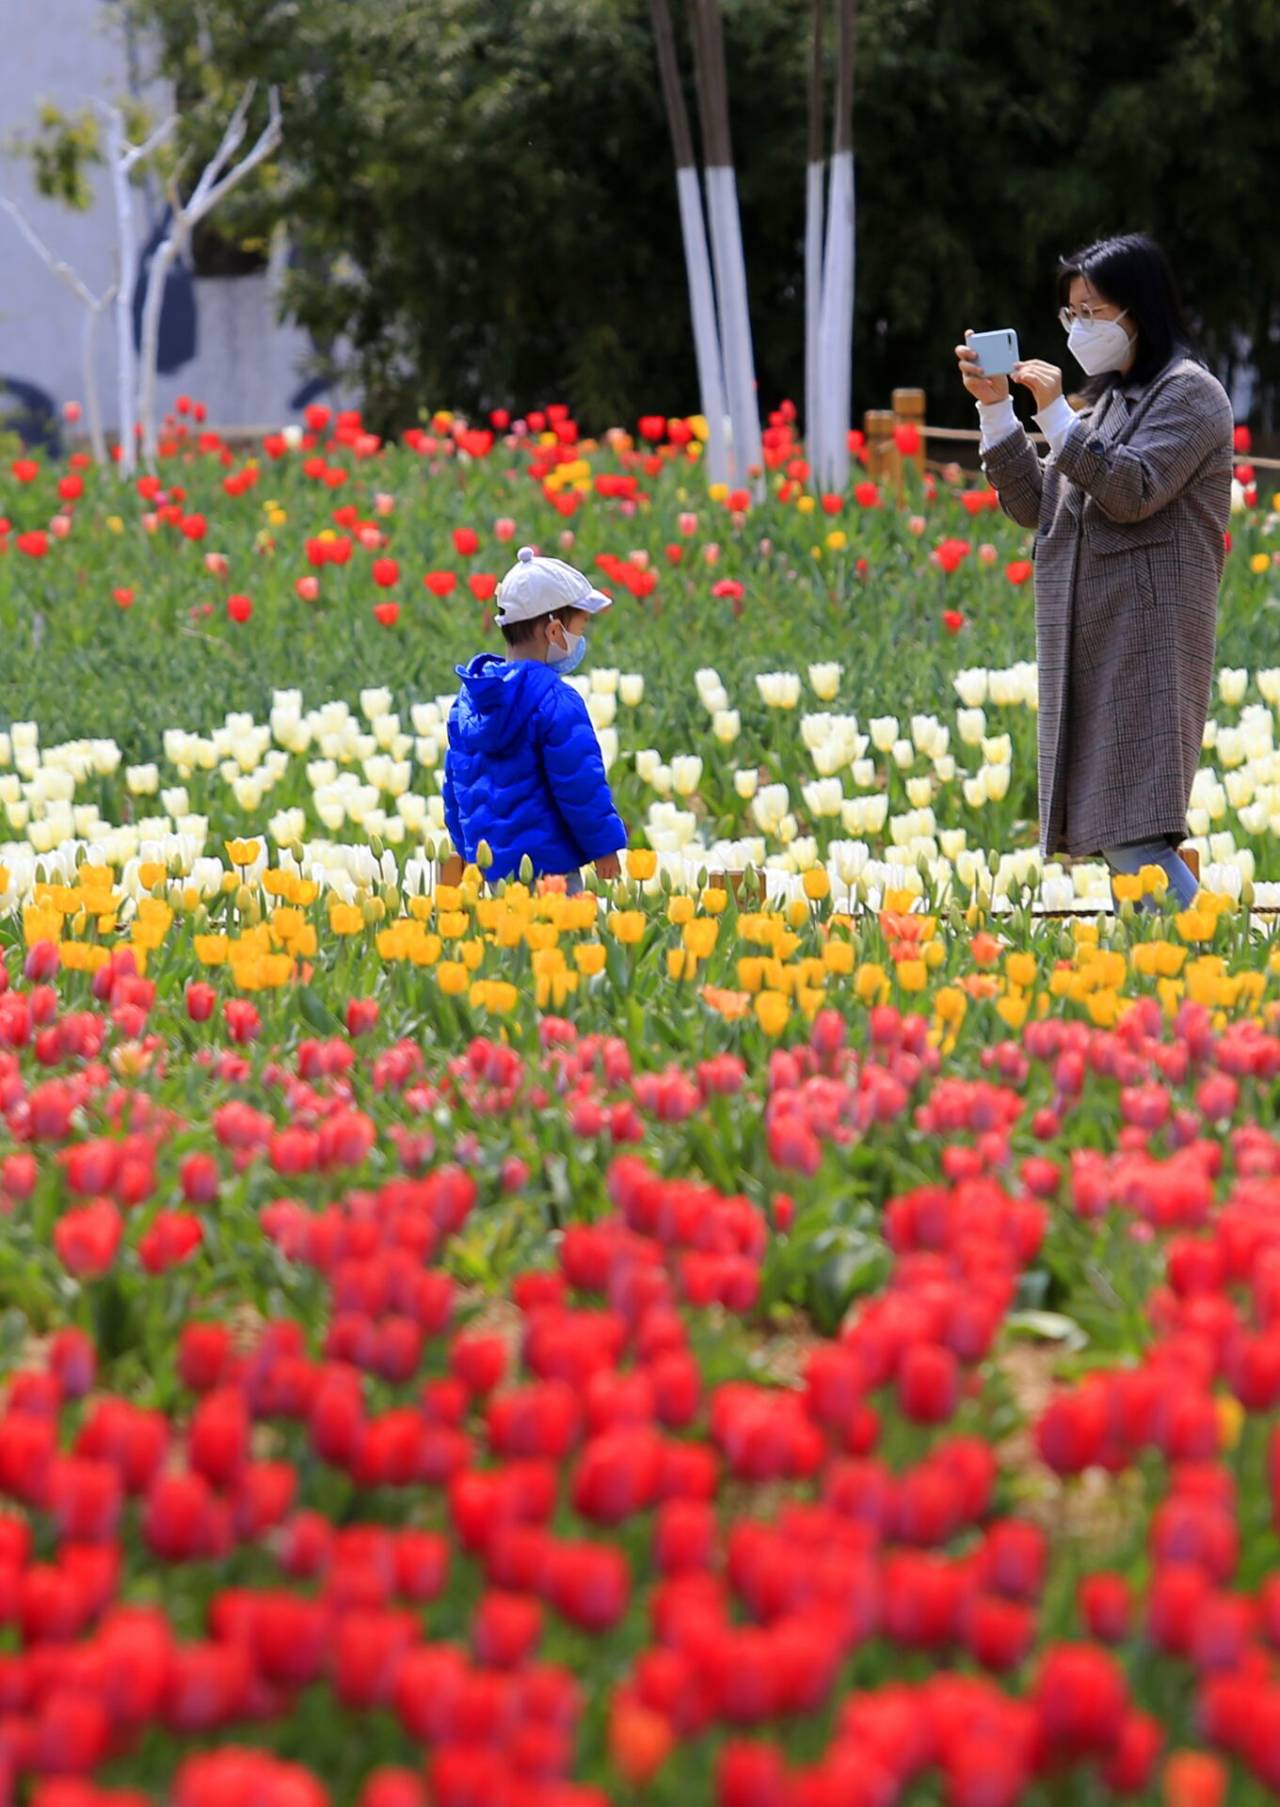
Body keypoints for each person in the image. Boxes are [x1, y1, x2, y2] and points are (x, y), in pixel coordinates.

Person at [955, 232, 1234, 908]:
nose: (1079, 328)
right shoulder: (1106, 402)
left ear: (1139, 310)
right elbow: (1036, 504)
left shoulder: (1191, 395)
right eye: (1070, 314)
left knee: (1134, 832)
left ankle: (1209, 953)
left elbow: (1132, 487)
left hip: (1147, 640)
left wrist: (1054, 413)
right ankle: (1171, 969)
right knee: (1118, 832)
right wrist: (998, 408)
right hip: (1091, 637)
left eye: (1093, 311)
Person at [442, 545, 627, 888]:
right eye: (580, 626)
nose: (580, 638)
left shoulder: (469, 702)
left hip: (491, 871)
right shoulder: (555, 701)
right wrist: (605, 849)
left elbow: (455, 789)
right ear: (554, 631)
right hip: (551, 873)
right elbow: (580, 787)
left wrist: (467, 854)